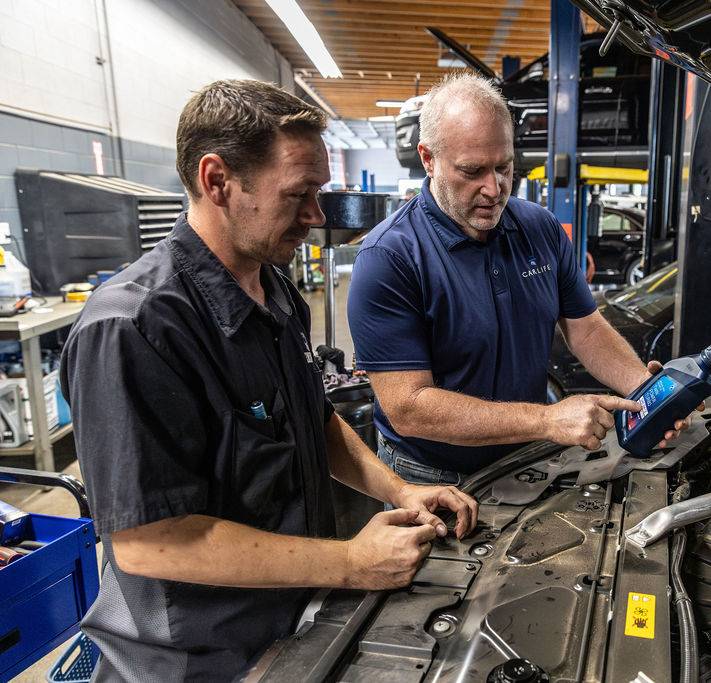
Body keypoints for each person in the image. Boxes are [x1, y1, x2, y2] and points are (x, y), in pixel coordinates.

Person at [60, 79, 478, 682]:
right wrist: (349, 561)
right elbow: (150, 542)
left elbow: (313, 420)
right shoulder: (135, 329)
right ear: (217, 181)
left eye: (319, 192)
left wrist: (400, 490)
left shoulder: (273, 289)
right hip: (200, 661)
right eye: (298, 194)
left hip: (295, 624)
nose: (316, 216)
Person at [347, 73, 698, 485]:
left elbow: (585, 329)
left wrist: (646, 390)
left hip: (524, 461)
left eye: (504, 167)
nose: (493, 188)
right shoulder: (388, 258)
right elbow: (409, 408)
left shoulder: (540, 228)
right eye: (472, 170)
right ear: (428, 159)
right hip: (430, 476)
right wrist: (547, 420)